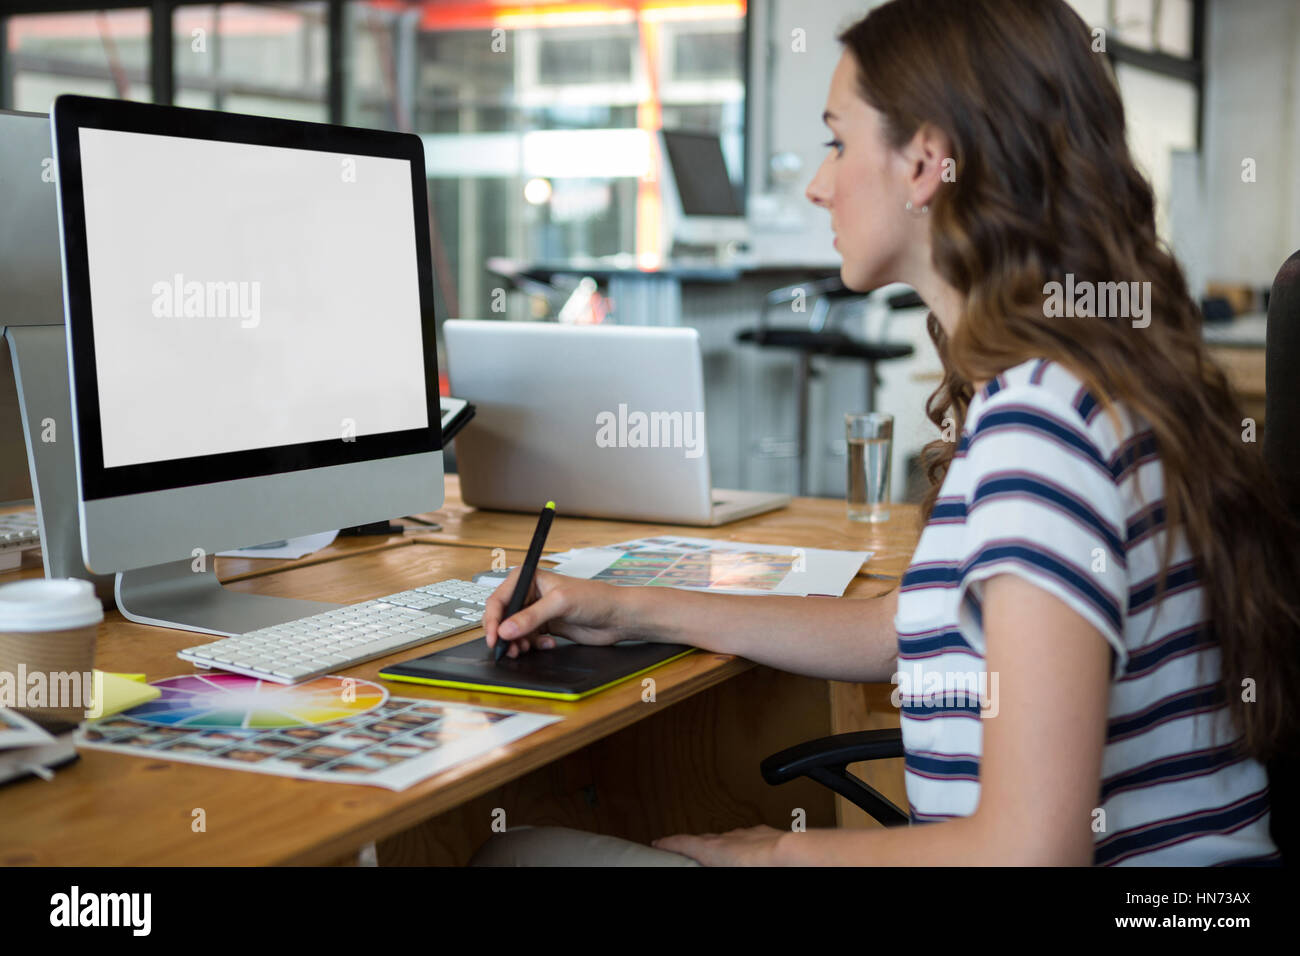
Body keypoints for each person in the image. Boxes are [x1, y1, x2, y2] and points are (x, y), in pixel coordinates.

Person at [470, 0, 1300, 866]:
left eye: (836, 141)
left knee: (515, 858)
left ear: (926, 161)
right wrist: (632, 607)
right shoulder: (1071, 381)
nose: (817, 183)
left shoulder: (1043, 423)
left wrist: (777, 858)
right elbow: (914, 626)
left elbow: (1029, 850)